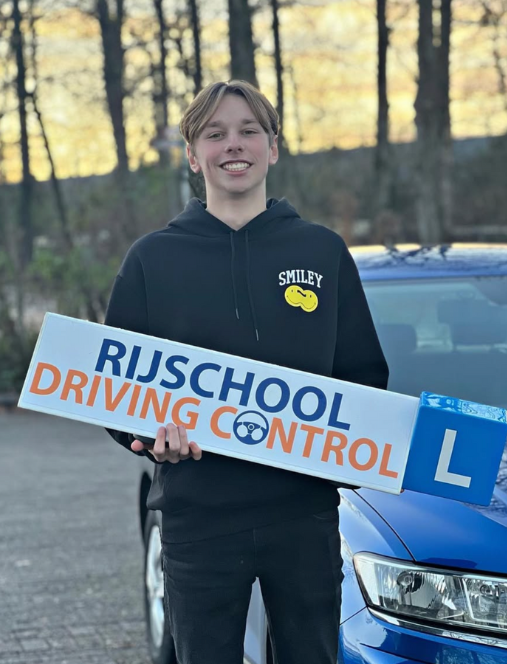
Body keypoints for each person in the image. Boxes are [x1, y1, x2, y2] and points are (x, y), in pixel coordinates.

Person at [104, 79, 388, 664]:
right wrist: (150, 437)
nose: (233, 145)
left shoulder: (322, 252)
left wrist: (358, 445)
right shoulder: (151, 260)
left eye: (248, 131)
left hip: (302, 516)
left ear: (273, 147)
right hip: (197, 519)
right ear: (192, 154)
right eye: (215, 134)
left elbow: (364, 380)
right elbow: (113, 394)